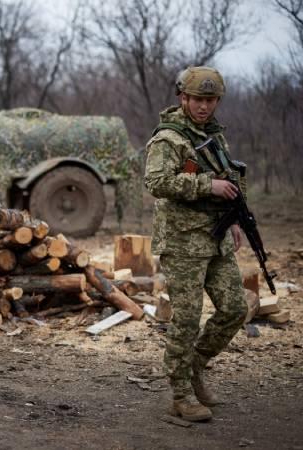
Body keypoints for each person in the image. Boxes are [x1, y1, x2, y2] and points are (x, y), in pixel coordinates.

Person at [145, 66, 247, 421]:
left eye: (211, 100)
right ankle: (181, 393)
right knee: (187, 319)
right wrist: (207, 186)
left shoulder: (215, 135)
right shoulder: (168, 138)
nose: (204, 107)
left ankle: (195, 366)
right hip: (183, 241)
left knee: (235, 308)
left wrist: (234, 217)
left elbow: (229, 177)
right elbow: (156, 182)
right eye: (198, 100)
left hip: (216, 236)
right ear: (183, 98)